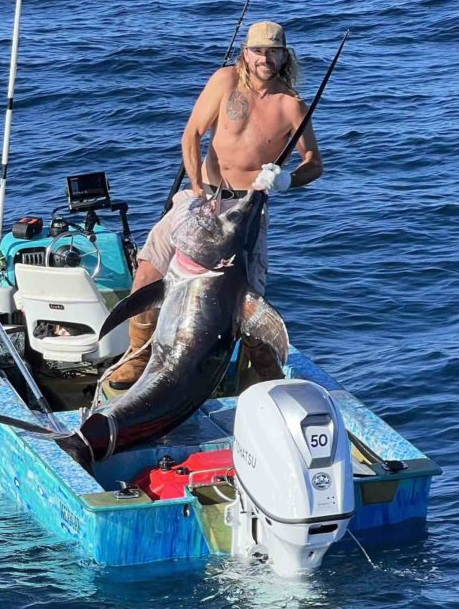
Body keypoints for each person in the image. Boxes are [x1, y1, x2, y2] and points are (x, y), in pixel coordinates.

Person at [107, 20, 323, 390]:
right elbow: (191, 134)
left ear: (285, 56)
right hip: (202, 197)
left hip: (247, 211)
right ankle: (137, 355)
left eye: (274, 51)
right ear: (246, 52)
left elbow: (314, 163)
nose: (265, 58)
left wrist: (287, 179)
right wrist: (196, 190)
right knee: (147, 272)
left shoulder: (291, 105)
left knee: (248, 300)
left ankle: (264, 379)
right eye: (258, 50)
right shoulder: (224, 80)